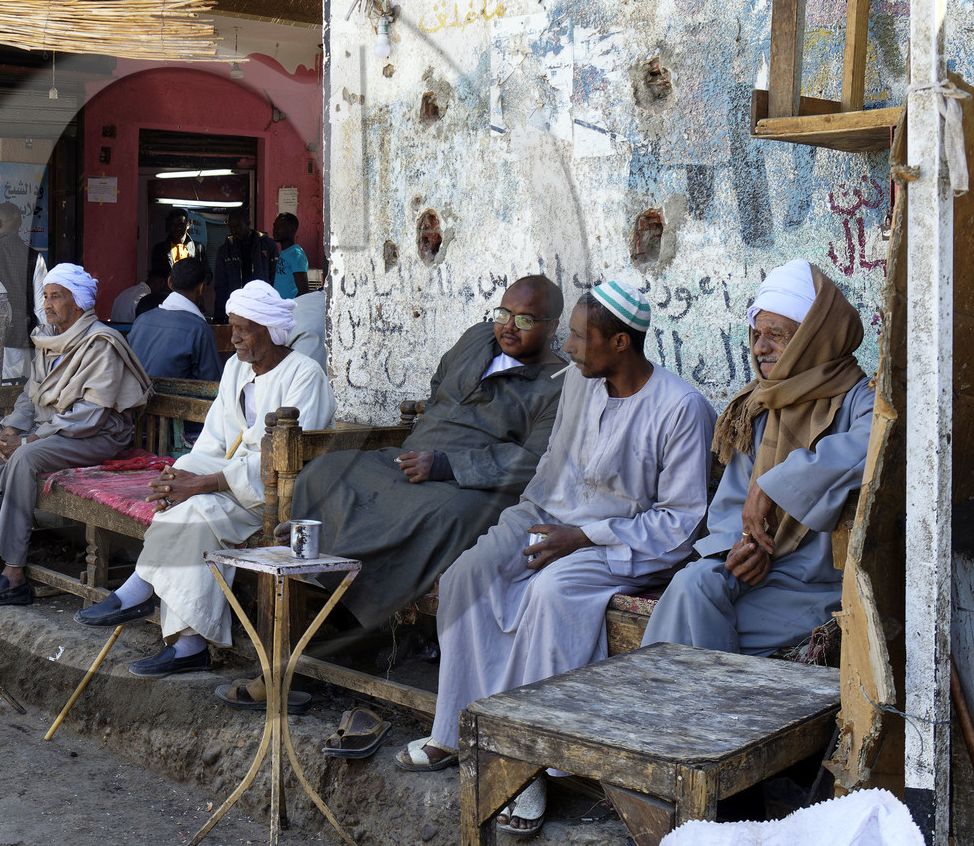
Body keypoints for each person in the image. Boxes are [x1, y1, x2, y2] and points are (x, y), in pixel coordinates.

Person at [402, 280, 714, 837]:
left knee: (551, 593)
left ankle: (527, 761)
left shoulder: (682, 408)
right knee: (466, 577)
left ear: (620, 342)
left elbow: (680, 523)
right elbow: (551, 473)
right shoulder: (577, 382)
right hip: (549, 514)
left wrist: (582, 536)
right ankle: (454, 731)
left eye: (577, 336)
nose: (567, 347)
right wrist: (528, 527)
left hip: (624, 543)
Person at [75, 281, 335, 677]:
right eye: (233, 327)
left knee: (196, 511)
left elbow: (287, 461)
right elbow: (213, 441)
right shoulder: (235, 368)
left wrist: (202, 484)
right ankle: (188, 643)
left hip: (277, 493)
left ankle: (144, 595)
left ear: (270, 330)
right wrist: (179, 477)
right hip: (231, 485)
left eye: (244, 328)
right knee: (182, 508)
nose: (234, 339)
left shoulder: (304, 374)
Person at [286, 276, 568, 630]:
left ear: (552, 325)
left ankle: (354, 614)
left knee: (446, 516)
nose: (509, 327)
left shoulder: (559, 382)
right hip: (413, 456)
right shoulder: (478, 337)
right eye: (503, 314)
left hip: (471, 484)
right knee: (325, 470)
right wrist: (429, 439)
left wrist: (447, 464)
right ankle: (317, 563)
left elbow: (534, 460)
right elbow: (440, 383)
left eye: (525, 320)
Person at [643, 260, 873, 656]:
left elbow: (871, 446)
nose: (760, 347)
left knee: (693, 626)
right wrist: (742, 547)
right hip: (761, 572)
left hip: (816, 586)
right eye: (757, 334)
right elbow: (734, 506)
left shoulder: (861, 398)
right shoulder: (759, 404)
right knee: (692, 585)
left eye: (777, 336)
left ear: (813, 337)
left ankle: (684, 713)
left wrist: (775, 486)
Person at [0, 264, 152, 604]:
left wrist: (27, 441)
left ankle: (13, 573)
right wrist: (9, 430)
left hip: (93, 437)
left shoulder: (101, 344)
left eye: (57, 297)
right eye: (46, 297)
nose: (48, 304)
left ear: (78, 302)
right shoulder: (48, 342)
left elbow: (90, 416)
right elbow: (29, 398)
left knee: (23, 458)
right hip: (47, 431)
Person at [0, 202, 47, 380]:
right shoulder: (36, 258)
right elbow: (41, 308)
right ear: (19, 226)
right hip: (22, 343)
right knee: (19, 398)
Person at [128, 259, 222, 381]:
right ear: (201, 288)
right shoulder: (200, 330)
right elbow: (213, 383)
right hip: (177, 399)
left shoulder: (141, 320)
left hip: (137, 398)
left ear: (169, 282)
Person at [213, 210, 279, 320]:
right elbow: (221, 286)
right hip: (236, 307)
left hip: (261, 307)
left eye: (237, 226)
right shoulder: (225, 250)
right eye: (231, 227)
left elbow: (275, 278)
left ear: (248, 223)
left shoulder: (268, 245)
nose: (233, 230)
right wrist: (219, 316)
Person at [150, 208, 204, 274]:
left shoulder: (198, 248)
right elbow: (155, 276)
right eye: (174, 224)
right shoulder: (159, 250)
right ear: (169, 226)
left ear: (188, 225)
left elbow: (207, 274)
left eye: (180, 224)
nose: (177, 228)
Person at [271, 213, 310, 299]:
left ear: (291, 230)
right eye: (274, 226)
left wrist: (289, 308)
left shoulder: (296, 254)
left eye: (279, 227)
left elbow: (303, 291)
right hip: (280, 307)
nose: (274, 230)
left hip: (289, 310)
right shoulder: (285, 252)